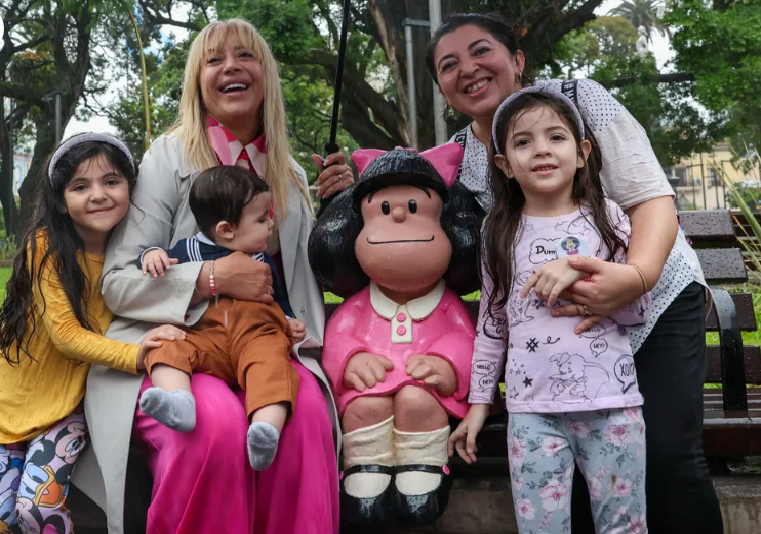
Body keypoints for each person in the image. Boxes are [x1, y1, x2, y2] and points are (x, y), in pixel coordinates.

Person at [426, 13, 721, 533]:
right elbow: (403, 192)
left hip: (652, 294)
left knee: (666, 455)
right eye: (449, 65)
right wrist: (346, 181)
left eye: (480, 52)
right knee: (574, 487)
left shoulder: (579, 99)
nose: (468, 69)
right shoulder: (465, 158)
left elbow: (650, 197)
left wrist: (632, 279)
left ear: (517, 60)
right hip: (555, 352)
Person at [70, 19, 353, 534]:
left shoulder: (287, 172)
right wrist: (209, 279)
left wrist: (341, 207)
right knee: (215, 427)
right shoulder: (167, 158)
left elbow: (316, 280)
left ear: (264, 74)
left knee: (305, 418)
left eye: (245, 56)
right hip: (184, 346)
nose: (231, 68)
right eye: (214, 59)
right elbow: (117, 281)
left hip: (266, 345)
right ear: (197, 81)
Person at [448, 87, 652, 533]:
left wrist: (581, 275)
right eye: (523, 142)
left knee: (624, 527)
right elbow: (492, 323)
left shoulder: (609, 217)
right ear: (503, 163)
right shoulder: (497, 231)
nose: (541, 149)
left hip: (611, 406)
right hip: (531, 413)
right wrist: (479, 404)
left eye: (555, 137)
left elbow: (638, 309)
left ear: (581, 153)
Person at [0, 134, 183, 534]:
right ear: (61, 200)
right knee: (4, 516)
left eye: (111, 181)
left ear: (132, 189)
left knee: (36, 512)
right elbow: (65, 333)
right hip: (10, 403)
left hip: (69, 411)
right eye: (80, 186)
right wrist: (134, 355)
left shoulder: (137, 254)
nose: (98, 195)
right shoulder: (45, 247)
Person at [308, 143, 480, 532]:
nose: (399, 216)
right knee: (364, 410)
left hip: (427, 389)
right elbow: (338, 338)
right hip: (367, 389)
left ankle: (422, 467)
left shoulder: (447, 304)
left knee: (418, 401)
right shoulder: (357, 306)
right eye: (384, 210)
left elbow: (464, 339)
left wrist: (447, 362)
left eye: (415, 209)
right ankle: (365, 468)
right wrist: (350, 358)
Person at [138, 165, 306, 471]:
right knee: (166, 345)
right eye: (261, 219)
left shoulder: (262, 260)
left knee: (272, 363)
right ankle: (178, 401)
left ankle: (266, 429)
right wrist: (151, 253)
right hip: (205, 339)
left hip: (255, 337)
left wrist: (288, 318)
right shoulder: (188, 250)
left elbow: (278, 297)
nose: (271, 224)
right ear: (226, 229)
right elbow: (153, 263)